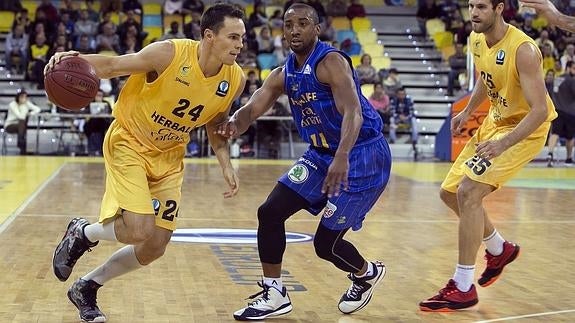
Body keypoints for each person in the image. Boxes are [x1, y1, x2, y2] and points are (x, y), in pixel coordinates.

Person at [47, 4, 246, 322]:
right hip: (130, 142)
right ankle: (84, 232)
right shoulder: (168, 54)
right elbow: (112, 65)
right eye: (233, 37)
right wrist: (75, 59)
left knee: (155, 245)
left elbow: (215, 121)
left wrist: (225, 163)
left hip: (169, 156)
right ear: (209, 36)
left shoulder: (234, 79)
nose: (239, 45)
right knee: (139, 228)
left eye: (242, 38)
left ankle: (86, 286)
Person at [216, 4, 391, 320]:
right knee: (270, 212)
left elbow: (353, 111)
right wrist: (230, 124)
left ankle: (366, 273)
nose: (294, 30)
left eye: (302, 23)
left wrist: (342, 157)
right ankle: (275, 292)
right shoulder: (282, 74)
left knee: (326, 245)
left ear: (317, 28)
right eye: (288, 24)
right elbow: (251, 111)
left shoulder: (331, 63)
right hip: (321, 154)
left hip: (362, 155)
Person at [419, 0, 557, 312]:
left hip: (526, 130)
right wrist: (468, 110)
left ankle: (463, 285)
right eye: (470, 6)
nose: (473, 13)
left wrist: (503, 143)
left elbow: (538, 111)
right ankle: (498, 248)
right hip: (494, 123)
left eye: (481, 6)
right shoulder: (478, 40)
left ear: (498, 8)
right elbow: (486, 76)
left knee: (469, 192)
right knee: (449, 193)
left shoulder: (524, 49)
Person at [546, 61, 575, 166]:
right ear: (567, 68)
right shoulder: (571, 80)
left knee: (554, 133)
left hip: (557, 111)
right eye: (573, 68)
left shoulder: (556, 79)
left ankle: (550, 154)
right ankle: (568, 159)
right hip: (570, 113)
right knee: (570, 137)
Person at [4, 89, 41, 155]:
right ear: (18, 97)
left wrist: (30, 113)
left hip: (21, 126)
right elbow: (20, 116)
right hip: (10, 125)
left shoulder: (26, 103)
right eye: (22, 97)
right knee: (22, 124)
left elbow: (38, 109)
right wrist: (25, 109)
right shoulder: (12, 104)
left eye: (25, 97)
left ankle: (22, 145)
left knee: (22, 126)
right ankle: (22, 143)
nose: (24, 99)